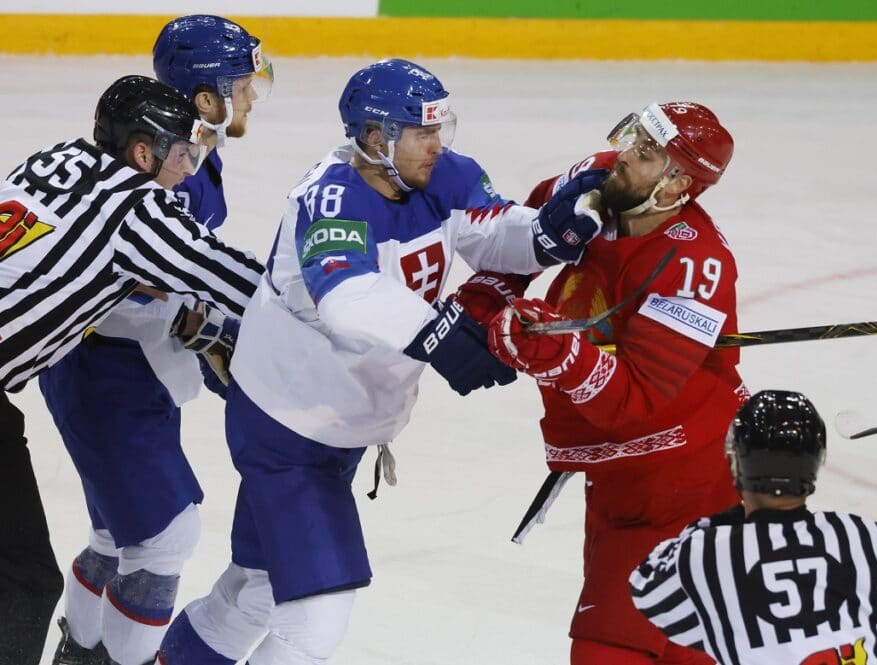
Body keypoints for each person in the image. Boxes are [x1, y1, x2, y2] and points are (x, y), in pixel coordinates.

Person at [156, 58, 605, 665]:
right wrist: (441, 334)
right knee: (316, 620)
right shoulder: (330, 196)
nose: (436, 145)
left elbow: (491, 233)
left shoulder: (441, 175)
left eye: (440, 128)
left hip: (334, 418)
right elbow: (346, 296)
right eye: (422, 132)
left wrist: (546, 231)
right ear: (375, 138)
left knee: (254, 588)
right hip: (289, 427)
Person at [0, 74, 264, 665]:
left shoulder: (57, 157)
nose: (187, 169)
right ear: (142, 151)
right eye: (179, 153)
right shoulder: (139, 211)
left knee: (24, 577)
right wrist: (330, 303)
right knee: (21, 579)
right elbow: (235, 280)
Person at [471, 101, 745, 664]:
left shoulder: (697, 266)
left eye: (645, 152)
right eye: (633, 139)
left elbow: (635, 401)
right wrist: (474, 324)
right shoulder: (597, 178)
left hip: (691, 485)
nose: (623, 156)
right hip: (619, 476)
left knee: (615, 650)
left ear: (677, 186)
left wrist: (553, 352)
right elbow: (514, 249)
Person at [630, 390, 877, 664]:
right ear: (815, 464)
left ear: (737, 465)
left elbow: (650, 594)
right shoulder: (869, 542)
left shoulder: (703, 553)